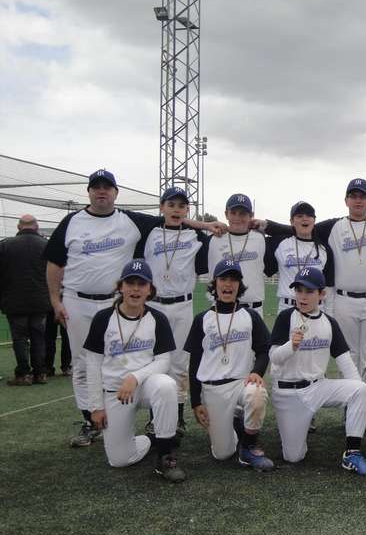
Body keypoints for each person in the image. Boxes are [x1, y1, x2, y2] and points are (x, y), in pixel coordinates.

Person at [45, 169, 223, 447]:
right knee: (83, 363)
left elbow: (175, 218)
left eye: (107, 187)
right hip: (79, 301)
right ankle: (91, 419)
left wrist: (206, 226)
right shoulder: (74, 221)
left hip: (125, 302)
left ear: (116, 192)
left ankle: (167, 418)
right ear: (89, 191)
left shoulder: (130, 220)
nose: (102, 191)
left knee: (167, 363)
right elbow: (54, 262)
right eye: (96, 187)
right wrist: (55, 301)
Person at [258, 179, 366, 379]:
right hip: (344, 299)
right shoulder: (334, 226)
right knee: (348, 354)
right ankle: (352, 402)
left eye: (362, 197)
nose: (358, 201)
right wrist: (267, 225)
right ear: (346, 200)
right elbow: (301, 230)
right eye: (353, 196)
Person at [269, 267, 366, 476]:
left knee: (360, 389)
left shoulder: (329, 322)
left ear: (322, 294)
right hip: (288, 393)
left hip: (318, 386)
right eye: (298, 290)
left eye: (309, 291)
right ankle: (299, 428)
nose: (302, 296)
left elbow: (346, 362)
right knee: (294, 457)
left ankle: (352, 453)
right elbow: (274, 357)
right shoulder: (285, 317)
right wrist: (291, 346)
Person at [85, 260, 185, 482]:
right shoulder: (103, 318)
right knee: (119, 460)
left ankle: (166, 453)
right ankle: (151, 439)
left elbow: (164, 361)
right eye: (130, 283)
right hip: (115, 392)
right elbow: (92, 364)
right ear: (121, 286)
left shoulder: (157, 318)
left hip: (146, 386)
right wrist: (95, 406)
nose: (135, 289)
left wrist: (135, 377)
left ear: (150, 289)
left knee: (167, 385)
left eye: (142, 284)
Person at [184, 259, 273, 472]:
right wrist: (195, 402)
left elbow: (263, 349)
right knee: (222, 454)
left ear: (239, 285)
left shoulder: (250, 316)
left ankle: (249, 447)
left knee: (257, 393)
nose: (228, 284)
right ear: (214, 283)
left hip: (241, 382)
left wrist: (256, 372)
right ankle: (235, 421)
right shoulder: (202, 319)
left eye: (234, 279)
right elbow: (194, 362)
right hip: (213, 389)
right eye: (223, 279)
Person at [137, 186, 210, 436]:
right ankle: (154, 416)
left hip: (183, 305)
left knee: (179, 362)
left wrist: (204, 226)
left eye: (181, 206)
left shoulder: (196, 237)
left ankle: (177, 417)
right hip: (154, 305)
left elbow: (214, 230)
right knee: (153, 360)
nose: (176, 210)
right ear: (161, 207)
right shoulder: (149, 232)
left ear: (187, 210)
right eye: (171, 205)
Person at [0, 215, 50, 385]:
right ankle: (40, 373)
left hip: (14, 301)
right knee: (38, 337)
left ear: (18, 227)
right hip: (41, 300)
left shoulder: (5, 245)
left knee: (20, 338)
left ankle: (24, 374)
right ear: (36, 227)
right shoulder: (46, 245)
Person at [264, 201, 333, 313]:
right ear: (291, 221)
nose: (304, 219)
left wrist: (329, 314)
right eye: (299, 216)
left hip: (316, 308)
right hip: (288, 307)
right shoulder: (279, 243)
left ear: (314, 220)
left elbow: (329, 286)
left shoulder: (324, 248)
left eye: (309, 215)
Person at [207, 194, 268, 310]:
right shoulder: (214, 239)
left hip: (253, 307)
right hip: (221, 306)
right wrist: (204, 224)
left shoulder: (260, 239)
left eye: (243, 214)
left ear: (251, 216)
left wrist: (264, 224)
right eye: (233, 213)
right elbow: (177, 222)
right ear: (226, 214)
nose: (237, 217)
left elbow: (295, 231)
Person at [45, 312, 71, 377]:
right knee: (66, 338)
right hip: (65, 308)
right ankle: (66, 367)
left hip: (51, 308)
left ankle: (48, 367)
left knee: (49, 338)